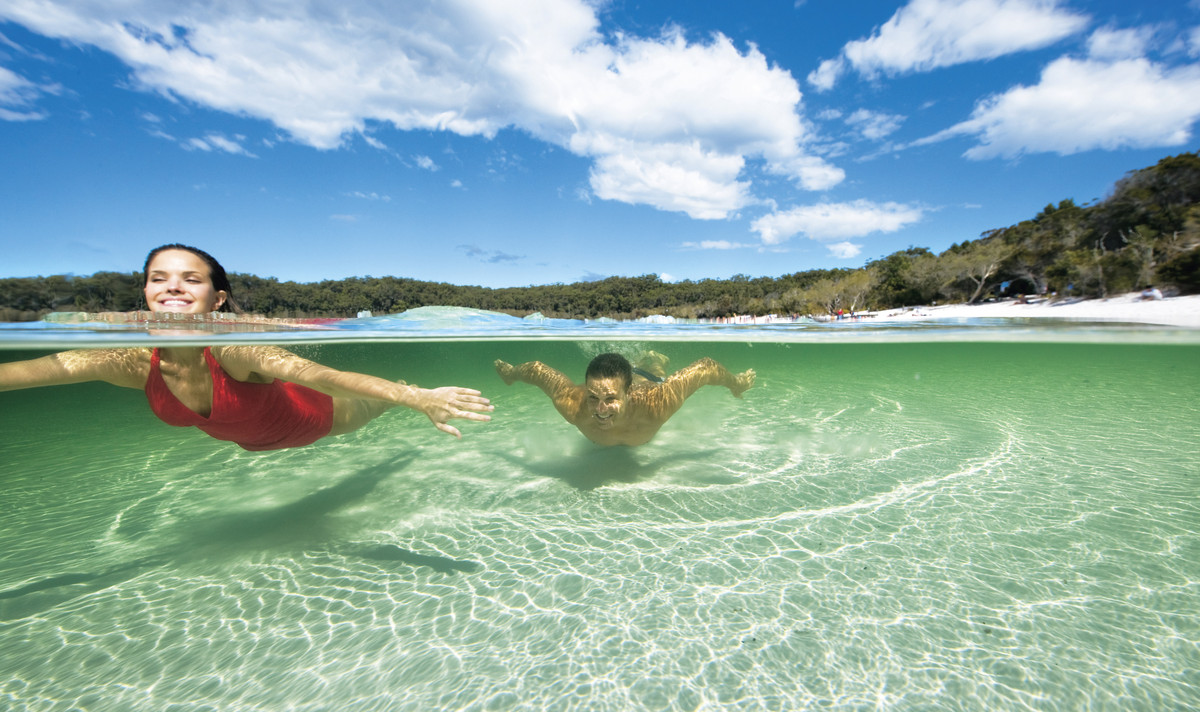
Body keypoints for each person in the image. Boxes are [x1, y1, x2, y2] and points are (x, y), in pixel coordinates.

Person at [0, 244, 492, 449]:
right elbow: (47, 369)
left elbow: (324, 378)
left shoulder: (235, 350)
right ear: (146, 294)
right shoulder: (130, 361)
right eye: (158, 279)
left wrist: (416, 398)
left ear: (217, 299)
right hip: (252, 441)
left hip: (313, 420)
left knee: (370, 406)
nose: (171, 287)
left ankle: (406, 387)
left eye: (189, 279)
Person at [494, 352, 755, 447]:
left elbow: (705, 368)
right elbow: (538, 371)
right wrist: (511, 374)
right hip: (628, 383)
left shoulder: (657, 404)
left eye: (610, 398)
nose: (600, 409)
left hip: (644, 382)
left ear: (627, 394)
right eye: (593, 397)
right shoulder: (574, 405)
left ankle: (651, 360)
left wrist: (737, 384)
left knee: (653, 372)